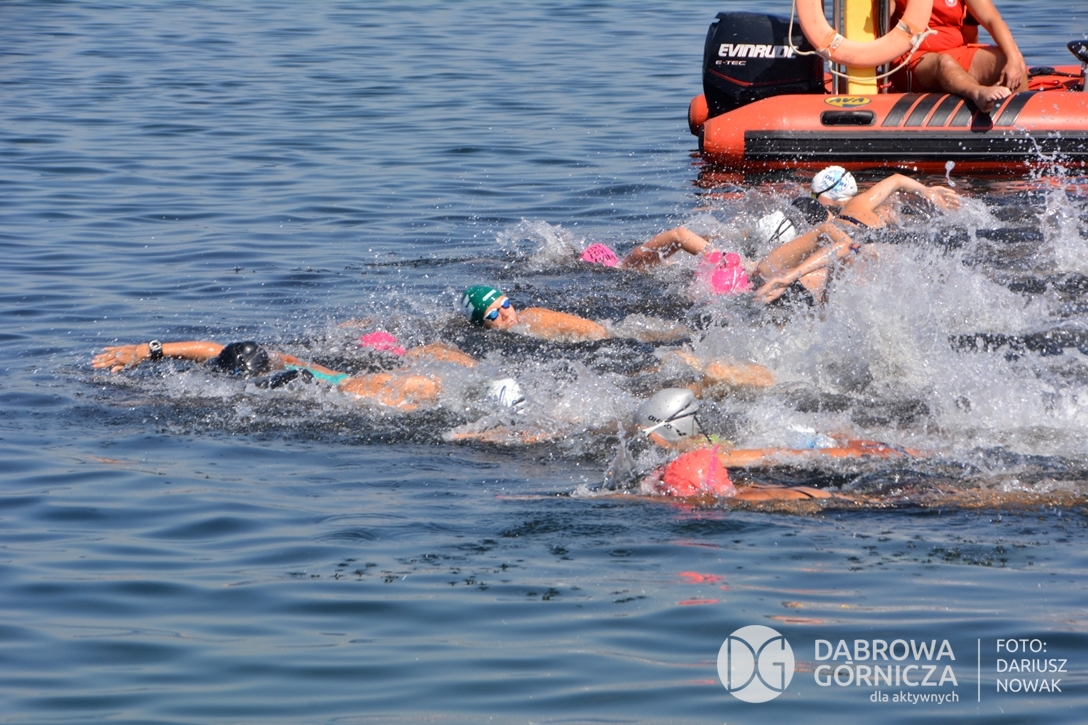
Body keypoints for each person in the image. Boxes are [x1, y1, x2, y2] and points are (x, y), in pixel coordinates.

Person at [627, 388, 916, 500]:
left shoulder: (714, 455)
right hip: (798, 436)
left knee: (865, 451)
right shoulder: (707, 448)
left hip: (804, 445)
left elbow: (776, 454)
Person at [91, 335, 478, 411]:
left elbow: (215, 351)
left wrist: (149, 352)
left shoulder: (232, 387)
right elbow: (215, 349)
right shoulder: (298, 368)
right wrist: (151, 350)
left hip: (351, 390)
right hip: (349, 386)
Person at [753, 173, 961, 304]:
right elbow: (896, 179)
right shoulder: (854, 211)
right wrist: (926, 190)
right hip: (910, 264)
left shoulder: (808, 266)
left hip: (873, 284)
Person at [889, 0, 1027, 112]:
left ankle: (1027, 118)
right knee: (944, 62)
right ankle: (977, 92)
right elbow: (882, 19)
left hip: (957, 51)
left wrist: (1013, 58)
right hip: (912, 58)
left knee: (1008, 60)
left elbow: (992, 19)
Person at [460, 285, 611, 341]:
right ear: (482, 325)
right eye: (493, 314)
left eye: (505, 304)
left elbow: (596, 331)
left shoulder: (532, 318)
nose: (506, 314)